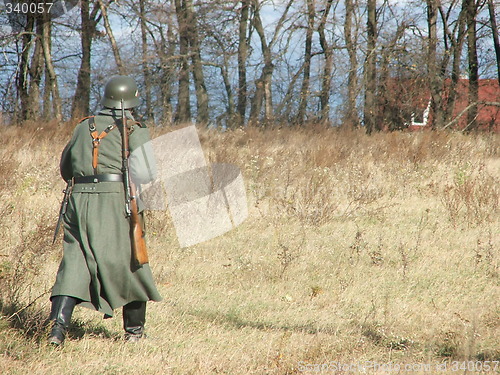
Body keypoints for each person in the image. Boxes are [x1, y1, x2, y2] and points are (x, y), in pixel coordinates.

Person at [48, 75, 162, 346]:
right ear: (131, 100)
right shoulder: (134, 128)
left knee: (75, 261)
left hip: (77, 201)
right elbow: (146, 173)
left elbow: (66, 169)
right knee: (130, 260)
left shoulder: (83, 127)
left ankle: (56, 329)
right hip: (115, 202)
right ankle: (134, 333)